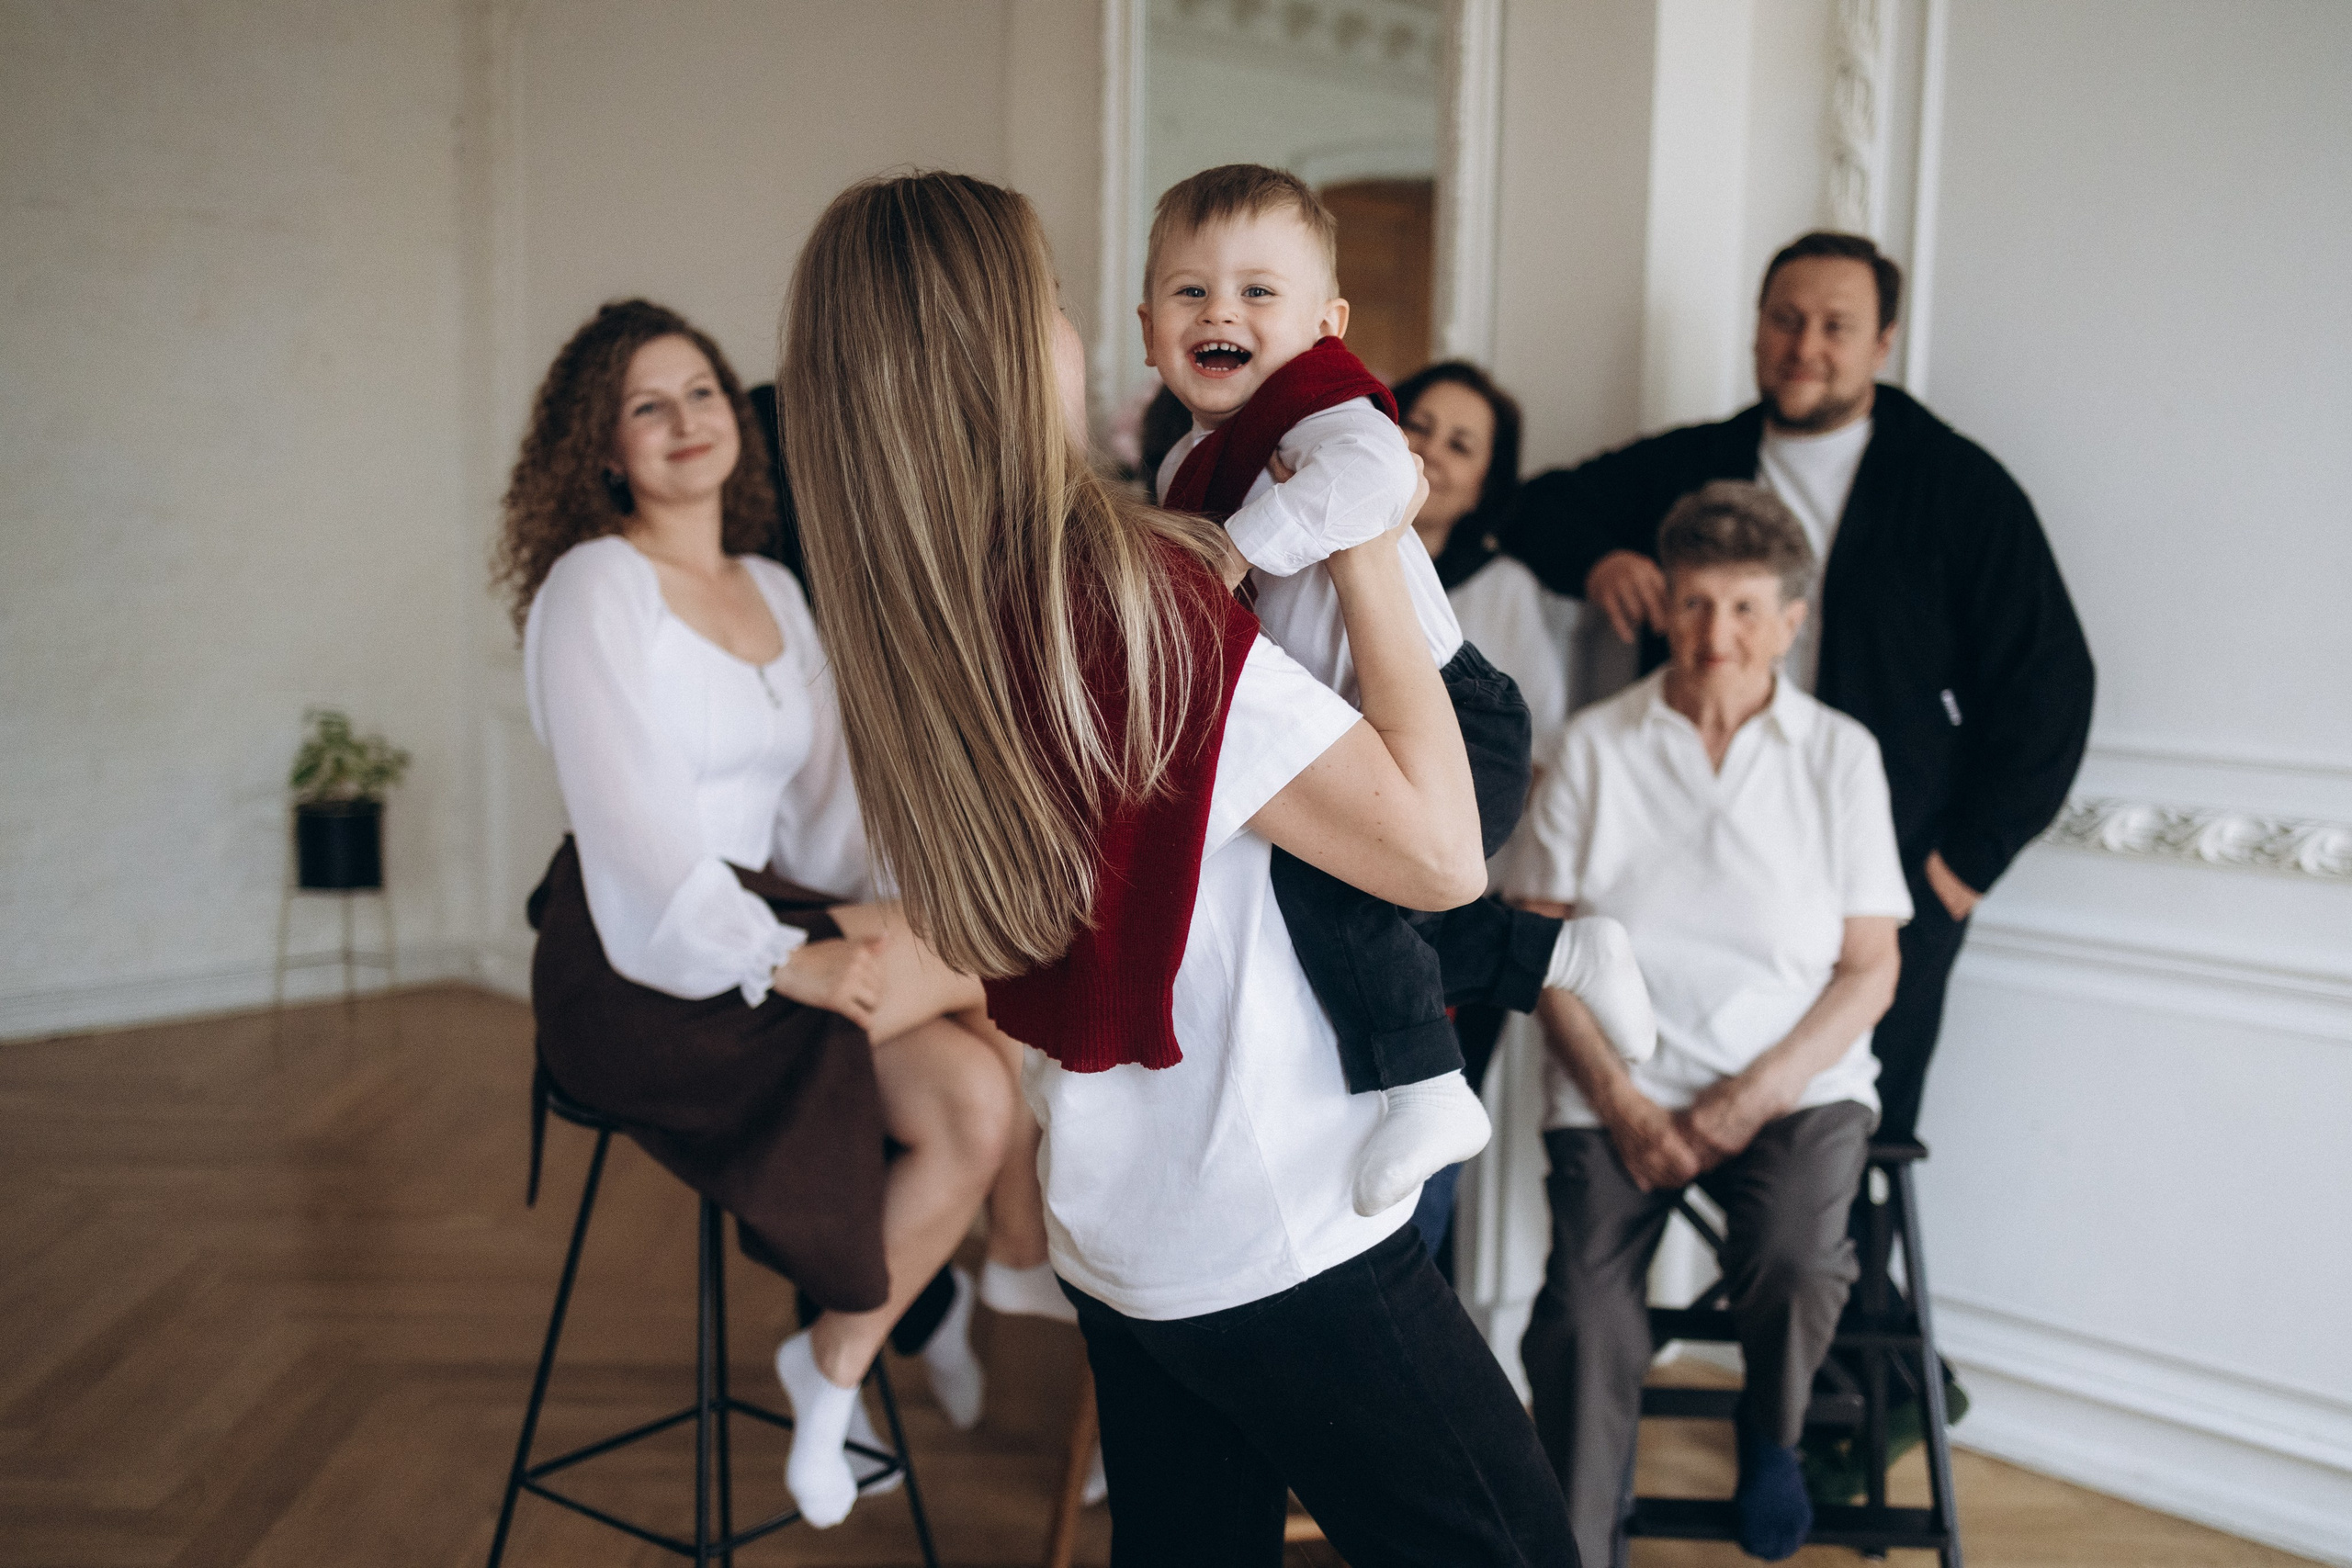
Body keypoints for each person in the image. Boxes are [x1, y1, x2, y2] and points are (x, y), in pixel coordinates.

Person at [779, 169, 1580, 1568]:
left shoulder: (921, 613)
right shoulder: (1131, 593)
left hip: (1117, 1205)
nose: (1078, 332)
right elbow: (1446, 852)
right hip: (1273, 1210)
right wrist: (1373, 522)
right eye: (1048, 301)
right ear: (1000, 352)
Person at [492, 299, 1016, 1530]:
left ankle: (831, 1367)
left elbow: (829, 816)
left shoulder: (773, 582)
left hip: (768, 920)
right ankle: (1031, 1249)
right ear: (604, 447)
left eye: (704, 393)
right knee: (999, 962)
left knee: (975, 1098)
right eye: (647, 405)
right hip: (636, 955)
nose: (686, 421)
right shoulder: (594, 586)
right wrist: (790, 958)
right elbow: (632, 840)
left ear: (740, 416)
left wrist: (873, 911)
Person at [1500, 230, 2094, 1148]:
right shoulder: (1698, 459)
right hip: (1693, 883)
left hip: (1887, 884)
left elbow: (2051, 686)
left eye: (1834, 325)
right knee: (1662, 1140)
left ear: (1881, 343)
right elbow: (1528, 509)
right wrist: (1605, 559)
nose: (1803, 346)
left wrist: (1958, 870)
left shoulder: (1957, 486)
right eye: (1784, 320)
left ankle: (1831, 1299)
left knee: (1846, 1161)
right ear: (1756, 329)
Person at [1147, 164, 1654, 1220]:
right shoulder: (1189, 465)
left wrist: (1236, 554)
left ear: (1326, 324)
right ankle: (1553, 954)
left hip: (1451, 714)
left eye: (1256, 291)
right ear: (1150, 323)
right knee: (1325, 901)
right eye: (1190, 292)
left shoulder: (1326, 414)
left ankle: (1428, 1090)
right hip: (1350, 732)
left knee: (1334, 895)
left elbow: (1376, 490)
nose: (1221, 312)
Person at [1512, 481, 1911, 1564]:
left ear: (1790, 621)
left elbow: (1870, 971)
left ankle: (1770, 1436)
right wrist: (1625, 1104)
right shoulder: (1595, 747)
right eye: (1693, 604)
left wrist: (1748, 1098)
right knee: (1582, 1322)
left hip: (1794, 1088)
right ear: (1665, 608)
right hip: (1614, 1088)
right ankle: (1578, 1548)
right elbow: (1541, 956)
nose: (1714, 635)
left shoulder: (1840, 758)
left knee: (1793, 1259)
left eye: (1743, 610)